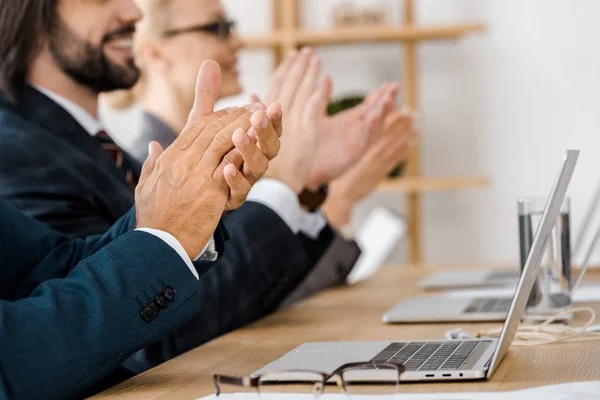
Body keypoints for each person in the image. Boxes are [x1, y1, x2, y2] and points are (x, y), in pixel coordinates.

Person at [0, 0, 395, 376]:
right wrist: (283, 187)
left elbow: (71, 267)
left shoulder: (90, 145)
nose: (134, 10)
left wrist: (194, 212)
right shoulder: (14, 148)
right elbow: (129, 341)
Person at [0, 62, 277, 399]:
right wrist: (168, 235)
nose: (134, 10)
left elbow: (49, 268)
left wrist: (183, 206)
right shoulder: (17, 145)